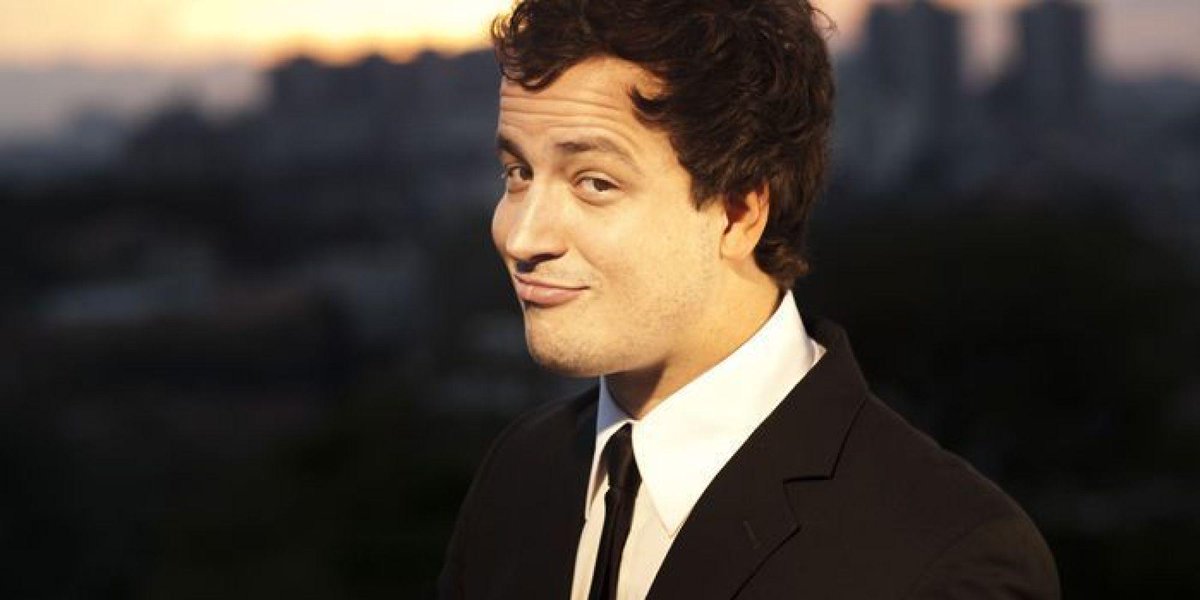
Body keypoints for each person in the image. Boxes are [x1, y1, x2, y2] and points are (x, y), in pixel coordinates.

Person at [439, 0, 1060, 598]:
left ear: (738, 214)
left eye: (594, 183)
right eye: (518, 173)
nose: (521, 236)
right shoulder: (519, 474)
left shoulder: (942, 556)